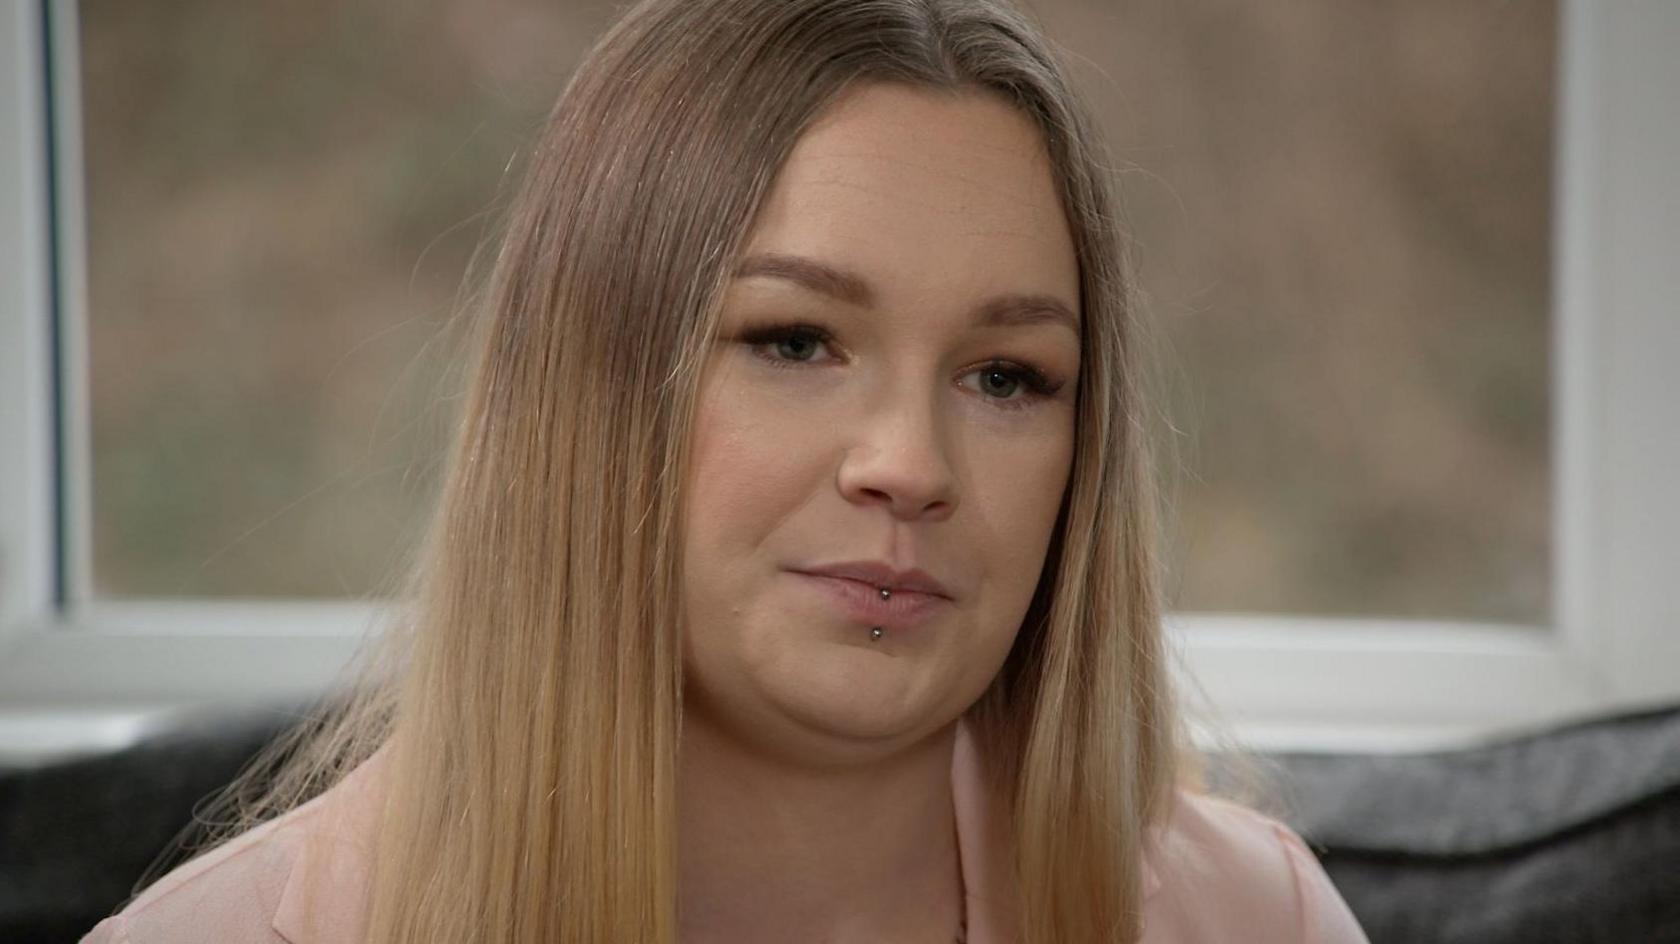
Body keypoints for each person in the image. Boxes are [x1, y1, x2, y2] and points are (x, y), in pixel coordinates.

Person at [81, 0, 1371, 941]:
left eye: (1006, 376)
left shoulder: (1261, 921)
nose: (911, 465)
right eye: (795, 340)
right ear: (586, 398)